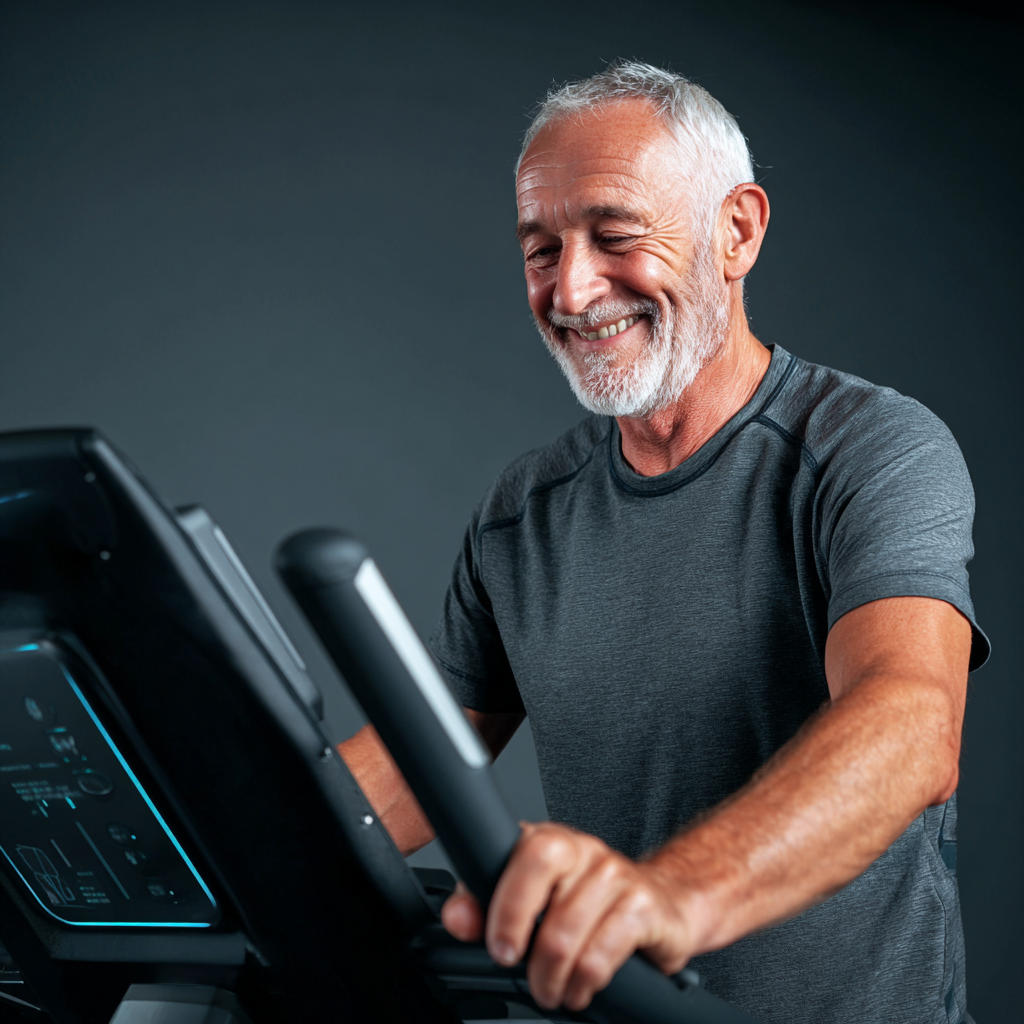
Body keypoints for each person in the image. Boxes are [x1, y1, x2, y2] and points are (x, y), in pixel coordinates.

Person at [340, 62, 988, 1024]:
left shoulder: (870, 449)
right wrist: (191, 835)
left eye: (615, 237)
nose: (572, 288)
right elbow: (410, 772)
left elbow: (911, 725)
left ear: (738, 232)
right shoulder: (522, 513)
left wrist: (668, 897)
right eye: (541, 250)